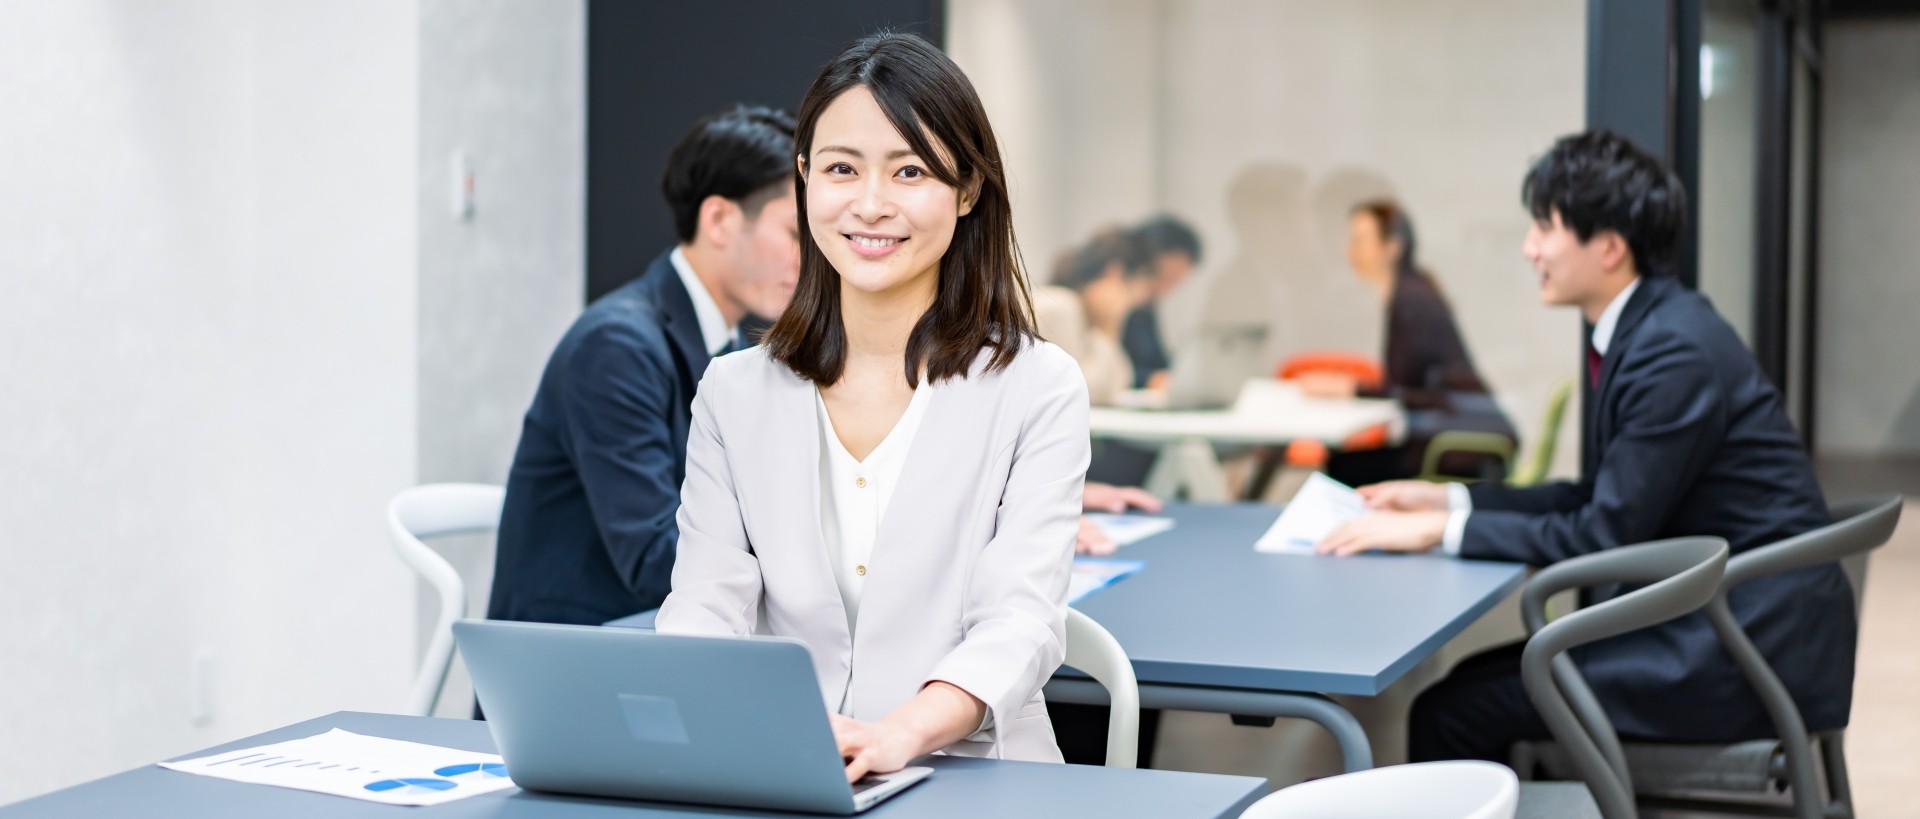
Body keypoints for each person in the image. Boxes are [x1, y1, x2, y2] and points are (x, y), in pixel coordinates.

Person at [1317, 130, 1855, 764]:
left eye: (1545, 227)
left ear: (1608, 247)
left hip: (1741, 650)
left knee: (1451, 710)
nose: (1528, 248)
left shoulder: (1669, 351)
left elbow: (1604, 534)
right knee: (1466, 688)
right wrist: (1450, 503)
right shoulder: (1654, 328)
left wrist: (1439, 532)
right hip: (1730, 622)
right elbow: (1598, 498)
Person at [655, 32, 1085, 779]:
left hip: (975, 775)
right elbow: (703, 604)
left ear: (967, 190)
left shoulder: (1038, 385)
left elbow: (1021, 620)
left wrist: (898, 734)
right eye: (841, 169)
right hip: (784, 766)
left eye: (910, 170)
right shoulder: (733, 393)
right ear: (804, 180)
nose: (870, 204)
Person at [487, 106, 800, 632]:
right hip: (575, 664)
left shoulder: (721, 351)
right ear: (720, 220)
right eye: (795, 234)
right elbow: (654, 556)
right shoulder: (616, 347)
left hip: (648, 640)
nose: (808, 260)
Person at [1306, 199, 1516, 485]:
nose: (1350, 253)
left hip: (1461, 447)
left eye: (1359, 242)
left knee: (1344, 466)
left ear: (1392, 246)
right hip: (1457, 437)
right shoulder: (1409, 292)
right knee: (1346, 462)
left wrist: (1350, 388)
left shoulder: (1410, 301)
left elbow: (1407, 391)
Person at [1031, 228, 1155, 406]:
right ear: (1115, 274)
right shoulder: (1059, 306)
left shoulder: (1080, 312)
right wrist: (1107, 329)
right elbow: (1085, 394)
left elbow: (1120, 383)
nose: (1141, 299)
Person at [1122, 214, 1204, 390]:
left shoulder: (1147, 308)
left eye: (1175, 281)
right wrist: (1148, 380)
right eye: (1165, 278)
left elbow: (1157, 362)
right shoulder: (1119, 305)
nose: (1166, 289)